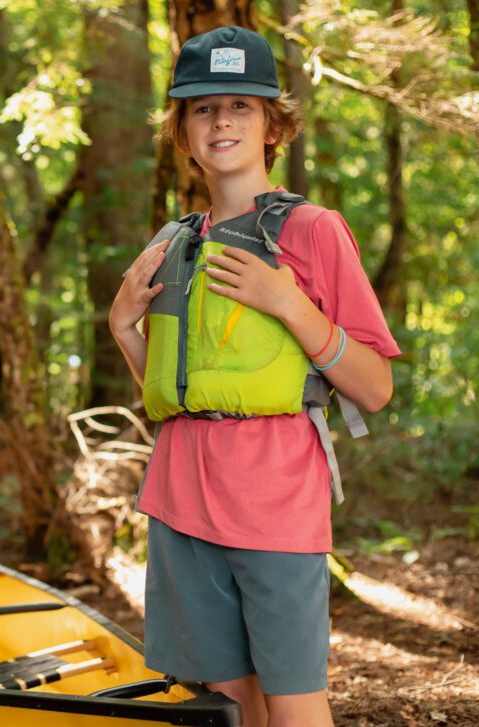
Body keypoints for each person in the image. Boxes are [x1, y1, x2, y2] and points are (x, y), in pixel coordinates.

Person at [109, 26, 400, 727]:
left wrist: (290, 304)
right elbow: (173, 395)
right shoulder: (172, 242)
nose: (222, 120)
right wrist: (123, 328)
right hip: (180, 497)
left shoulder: (314, 231)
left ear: (273, 122)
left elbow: (376, 387)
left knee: (295, 701)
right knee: (227, 704)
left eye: (241, 104)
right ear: (182, 129)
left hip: (275, 499)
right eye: (203, 107)